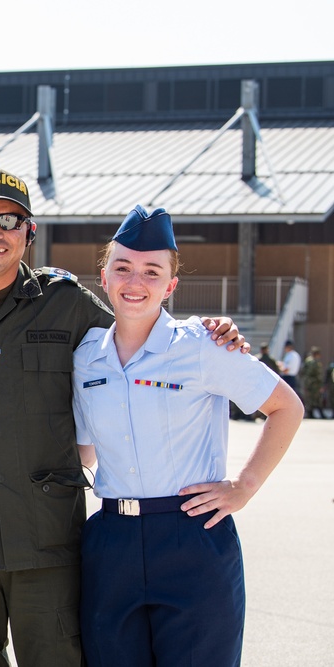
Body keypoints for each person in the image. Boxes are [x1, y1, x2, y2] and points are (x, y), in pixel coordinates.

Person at [0, 168, 247, 666]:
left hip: (49, 543)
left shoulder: (65, 303)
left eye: (10, 221)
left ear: (29, 234)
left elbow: (138, 332)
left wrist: (207, 331)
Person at [71, 205, 303, 666]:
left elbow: (286, 407)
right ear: (104, 276)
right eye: (123, 268)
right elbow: (83, 451)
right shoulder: (85, 358)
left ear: (171, 285)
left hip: (192, 538)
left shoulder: (203, 346)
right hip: (111, 541)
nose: (135, 282)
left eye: (152, 272)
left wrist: (244, 487)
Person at [301, 346, 324, 418]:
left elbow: (303, 372)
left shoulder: (307, 361)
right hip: (315, 384)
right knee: (317, 399)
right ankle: (320, 414)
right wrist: (321, 385)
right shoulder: (316, 362)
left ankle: (310, 414)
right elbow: (318, 375)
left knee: (309, 399)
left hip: (307, 383)